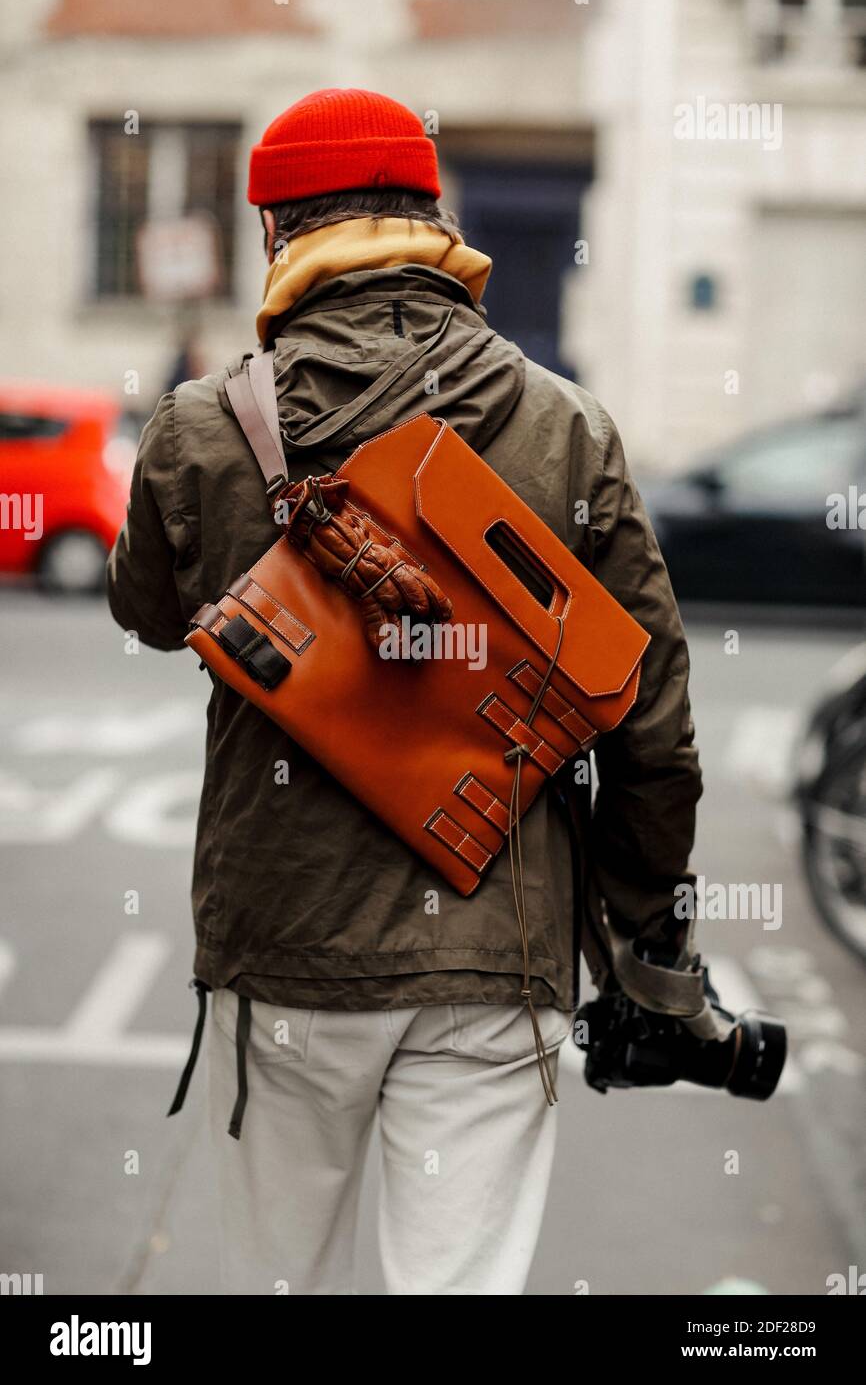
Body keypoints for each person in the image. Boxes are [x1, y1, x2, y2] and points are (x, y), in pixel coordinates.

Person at [106, 87, 701, 1296]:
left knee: (277, 1283)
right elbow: (653, 729)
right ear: (433, 221)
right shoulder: (566, 426)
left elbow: (148, 612)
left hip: (284, 954)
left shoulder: (202, 429)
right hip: (502, 952)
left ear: (279, 238)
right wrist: (641, 930)